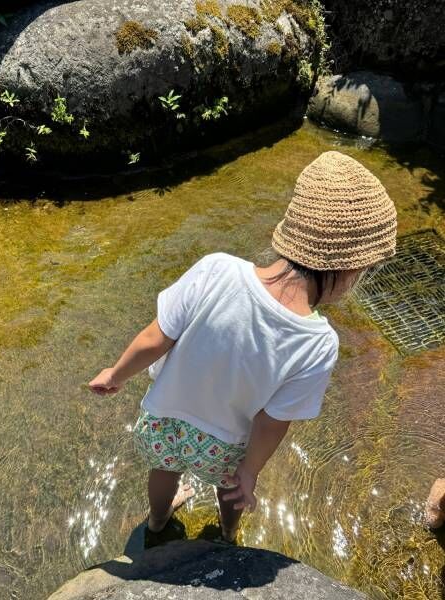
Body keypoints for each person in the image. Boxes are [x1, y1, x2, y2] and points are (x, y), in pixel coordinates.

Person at [88, 151, 397, 542]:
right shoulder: (318, 344)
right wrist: (249, 473)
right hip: (225, 443)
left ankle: (158, 522)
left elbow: (155, 338)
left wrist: (115, 375)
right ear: (350, 269)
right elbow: (272, 422)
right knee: (231, 487)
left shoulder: (215, 268)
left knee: (164, 471)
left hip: (165, 418)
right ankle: (228, 535)